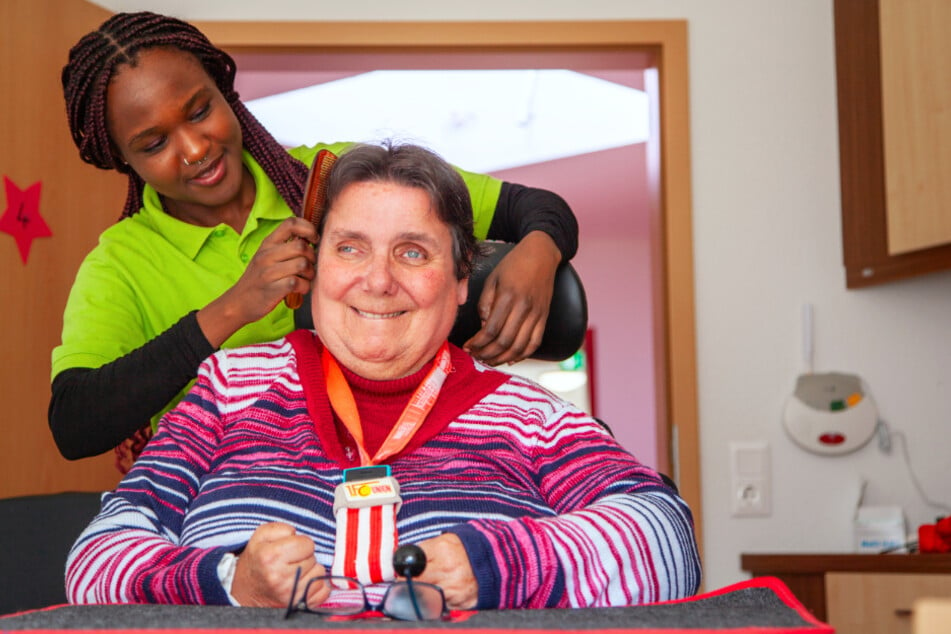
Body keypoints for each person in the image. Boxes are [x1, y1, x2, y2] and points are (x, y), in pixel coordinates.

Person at [65, 142, 701, 610]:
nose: (377, 279)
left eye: (413, 252)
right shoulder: (229, 386)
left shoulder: (530, 414)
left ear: (460, 284)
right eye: (350, 247)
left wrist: (498, 567)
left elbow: (668, 540)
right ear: (314, 270)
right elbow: (96, 559)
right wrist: (230, 582)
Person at [50, 11, 578, 469]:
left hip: (394, 465)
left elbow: (534, 207)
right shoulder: (120, 262)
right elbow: (75, 423)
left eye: (199, 111)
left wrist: (538, 251)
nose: (193, 148)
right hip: (236, 493)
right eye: (154, 143)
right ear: (122, 157)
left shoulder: (334, 177)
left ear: (223, 90)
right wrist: (236, 306)